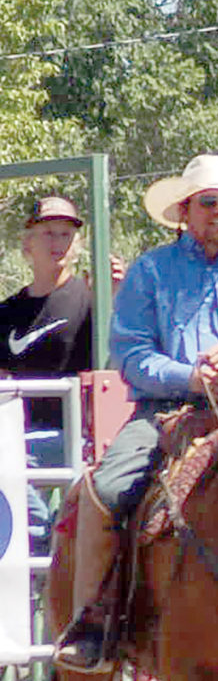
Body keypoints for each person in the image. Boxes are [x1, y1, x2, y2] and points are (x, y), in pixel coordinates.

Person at [54, 154, 218, 672]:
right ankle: (97, 616)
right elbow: (130, 354)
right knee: (109, 488)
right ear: (185, 211)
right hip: (166, 411)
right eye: (209, 202)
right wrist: (187, 376)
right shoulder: (151, 272)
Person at [0, 195, 100, 549]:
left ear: (78, 246)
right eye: (48, 233)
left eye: (65, 235)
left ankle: (46, 559)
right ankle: (38, 563)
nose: (58, 243)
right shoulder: (8, 312)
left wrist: (116, 297)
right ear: (27, 244)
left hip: (75, 435)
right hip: (18, 436)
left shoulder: (93, 301)